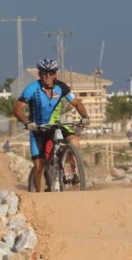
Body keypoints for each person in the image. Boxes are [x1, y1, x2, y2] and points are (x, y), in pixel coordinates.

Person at [13, 58, 90, 192]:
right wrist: (27, 123)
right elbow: (17, 109)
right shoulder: (32, 88)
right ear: (39, 74)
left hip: (55, 126)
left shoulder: (62, 87)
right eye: (44, 73)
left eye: (51, 73)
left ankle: (73, 169)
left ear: (55, 74)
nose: (47, 76)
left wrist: (85, 117)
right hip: (38, 130)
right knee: (39, 165)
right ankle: (41, 197)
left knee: (74, 141)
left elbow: (76, 103)